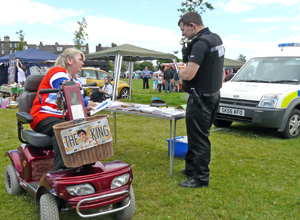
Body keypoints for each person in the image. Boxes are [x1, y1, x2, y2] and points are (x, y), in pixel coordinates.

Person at [177, 12, 225, 188]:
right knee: (196, 134)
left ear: (192, 25)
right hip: (212, 94)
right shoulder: (216, 39)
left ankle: (200, 177)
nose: (183, 34)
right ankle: (191, 168)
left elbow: (189, 74)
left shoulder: (200, 43)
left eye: (183, 30)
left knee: (199, 138)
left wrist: (179, 72)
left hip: (201, 97)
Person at [30, 48, 97, 171]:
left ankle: (86, 163)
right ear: (69, 60)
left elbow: (74, 99)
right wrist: (87, 103)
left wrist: (85, 107)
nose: (83, 63)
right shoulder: (57, 72)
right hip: (43, 116)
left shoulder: (71, 78)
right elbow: (70, 94)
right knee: (64, 130)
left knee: (86, 126)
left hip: (60, 116)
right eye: (80, 60)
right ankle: (63, 170)